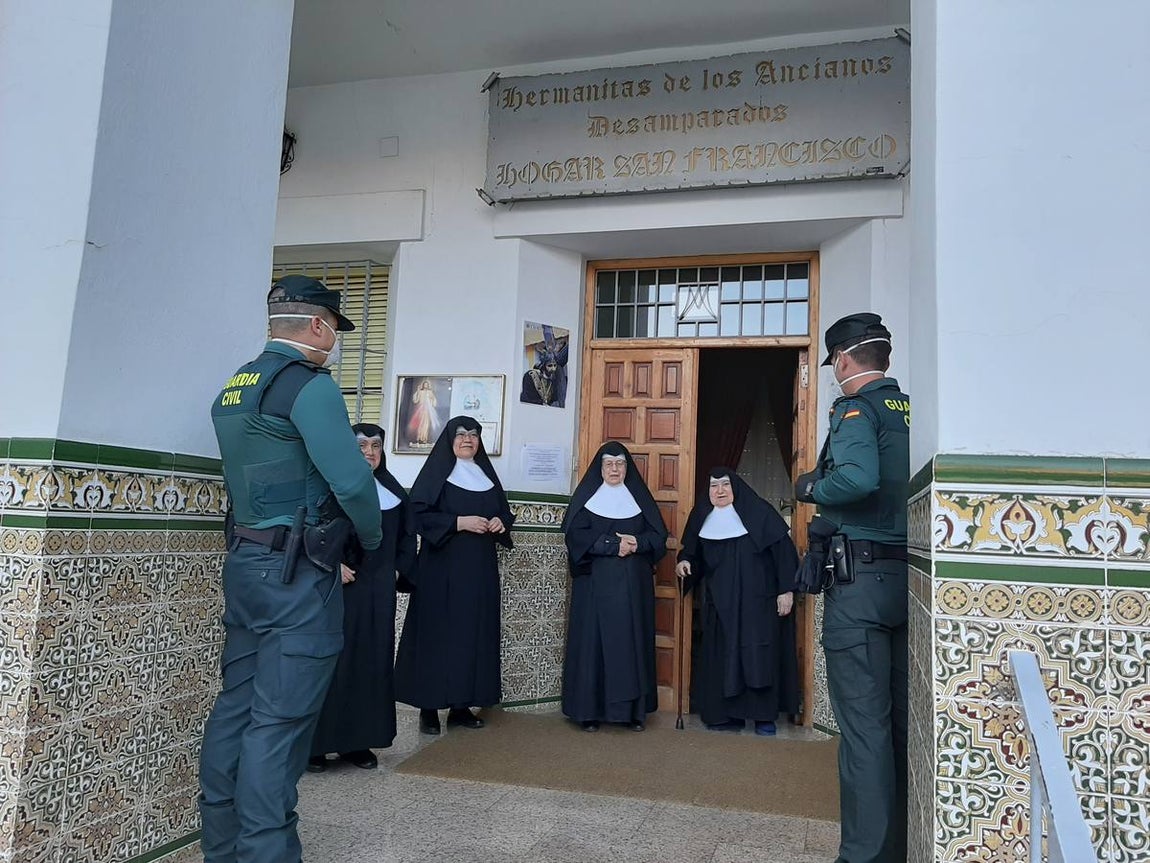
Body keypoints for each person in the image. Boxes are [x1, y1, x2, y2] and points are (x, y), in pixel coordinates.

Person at [199, 275, 383, 863]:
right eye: (335, 331)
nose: (335, 343)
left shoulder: (237, 386)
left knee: (235, 710)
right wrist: (371, 538)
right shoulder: (309, 385)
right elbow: (351, 481)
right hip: (297, 576)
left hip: (245, 565)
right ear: (317, 325)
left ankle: (223, 851)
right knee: (279, 723)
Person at [794, 312, 911, 863]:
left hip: (860, 584)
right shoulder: (907, 408)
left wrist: (811, 487)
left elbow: (857, 479)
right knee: (897, 726)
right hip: (904, 579)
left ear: (842, 360)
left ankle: (863, 856)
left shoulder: (856, 408)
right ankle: (898, 847)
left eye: (834, 363)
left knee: (864, 729)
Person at [308, 423, 417, 773]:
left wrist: (398, 571)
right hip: (336, 588)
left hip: (376, 594)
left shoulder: (394, 492)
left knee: (370, 662)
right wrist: (331, 565)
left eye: (375, 446)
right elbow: (313, 530)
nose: (369, 452)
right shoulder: (329, 487)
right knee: (332, 664)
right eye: (361, 446)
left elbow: (406, 538)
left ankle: (357, 742)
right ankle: (315, 746)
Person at [394, 416, 513, 734]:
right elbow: (418, 515)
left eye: (473, 434)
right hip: (440, 570)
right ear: (449, 439)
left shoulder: (486, 476)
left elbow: (503, 511)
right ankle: (428, 709)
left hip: (479, 572)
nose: (467, 439)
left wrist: (500, 522)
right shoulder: (436, 474)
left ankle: (461, 707)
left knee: (472, 635)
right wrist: (458, 523)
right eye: (461, 434)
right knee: (437, 635)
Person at [676, 468, 800, 736]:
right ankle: (725, 716)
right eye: (714, 486)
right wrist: (684, 562)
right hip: (719, 604)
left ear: (736, 488)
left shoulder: (760, 513)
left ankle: (763, 717)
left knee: (757, 657)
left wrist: (786, 591)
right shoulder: (701, 517)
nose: (719, 491)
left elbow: (784, 554)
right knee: (722, 658)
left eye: (725, 485)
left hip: (758, 603)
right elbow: (691, 553)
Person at [561, 441, 668, 732]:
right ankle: (589, 712)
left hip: (633, 590)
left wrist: (637, 543)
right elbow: (575, 537)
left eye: (620, 463)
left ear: (627, 468)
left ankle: (632, 713)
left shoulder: (639, 500)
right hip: (594, 589)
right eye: (608, 463)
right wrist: (612, 545)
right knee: (593, 648)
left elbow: (658, 537)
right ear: (600, 468)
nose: (614, 469)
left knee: (631, 648)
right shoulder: (587, 501)